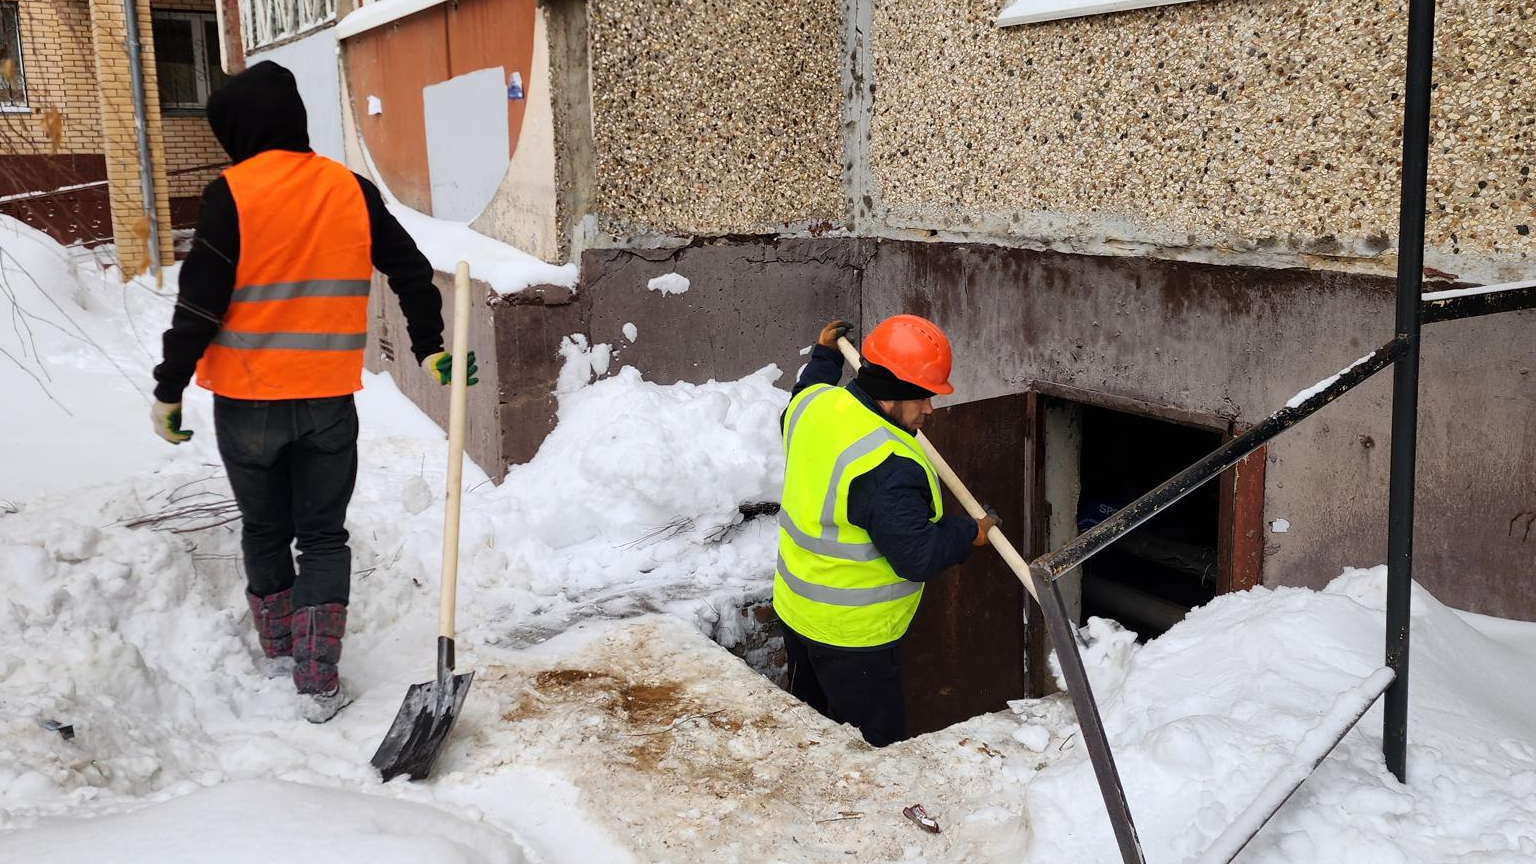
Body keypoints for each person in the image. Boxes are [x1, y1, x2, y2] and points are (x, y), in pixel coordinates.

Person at [147, 61, 475, 722]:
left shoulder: (229, 194)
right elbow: (412, 271)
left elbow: (199, 306)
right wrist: (431, 348)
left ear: (237, 131)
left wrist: (170, 387)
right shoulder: (349, 188)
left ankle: (278, 649)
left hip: (247, 405)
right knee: (323, 538)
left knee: (266, 529)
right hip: (327, 402)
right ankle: (318, 678)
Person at [772, 314, 995, 747]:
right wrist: (969, 532)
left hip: (796, 611)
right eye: (922, 398)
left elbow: (807, 388)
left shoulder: (812, 406)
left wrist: (824, 355)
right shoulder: (887, 465)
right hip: (853, 640)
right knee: (873, 749)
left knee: (811, 725)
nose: (930, 409)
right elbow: (918, 556)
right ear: (892, 394)